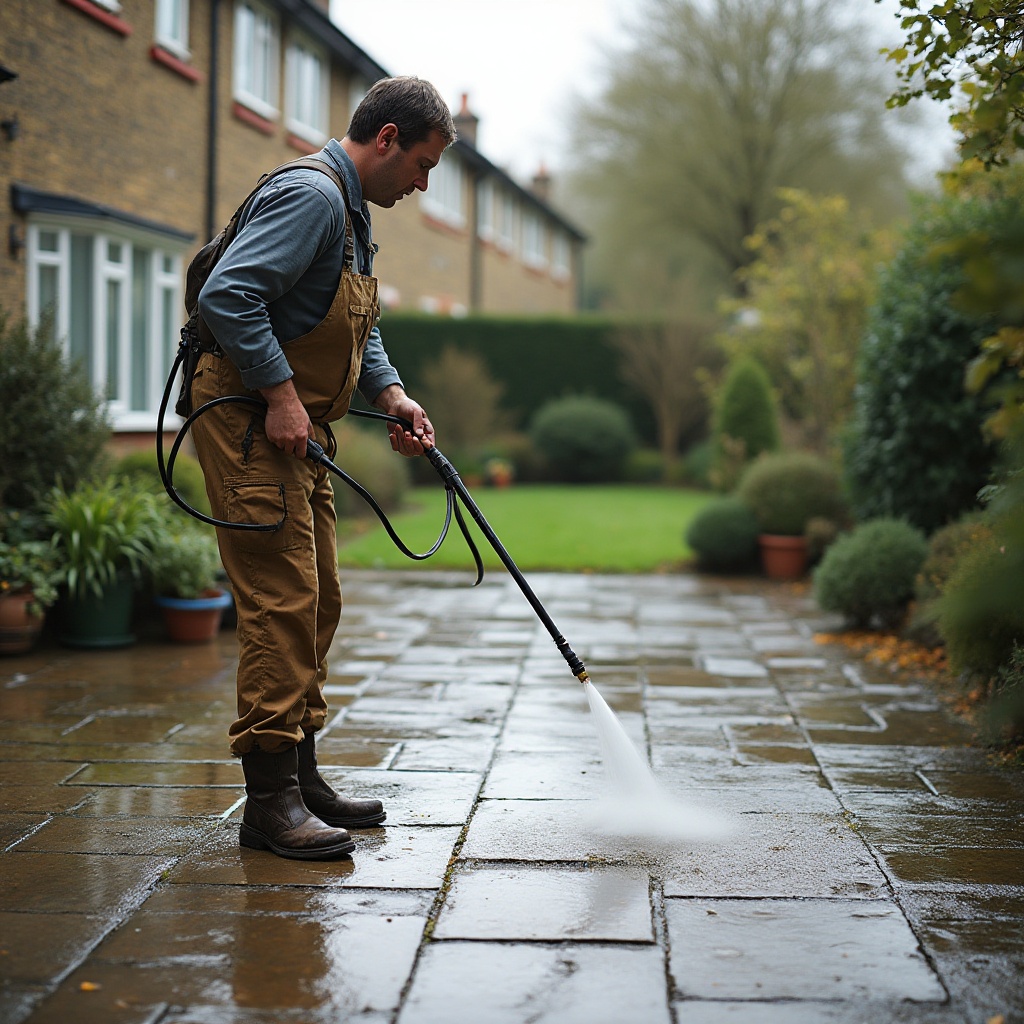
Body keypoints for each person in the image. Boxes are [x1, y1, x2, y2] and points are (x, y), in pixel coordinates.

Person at [190, 76, 456, 861]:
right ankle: (267, 803)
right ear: (386, 139)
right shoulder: (311, 197)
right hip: (246, 419)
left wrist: (394, 394)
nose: (423, 182)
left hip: (294, 427)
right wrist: (278, 394)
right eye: (422, 163)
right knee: (281, 600)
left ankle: (300, 776)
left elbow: (351, 324)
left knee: (320, 598)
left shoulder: (350, 214)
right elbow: (229, 296)